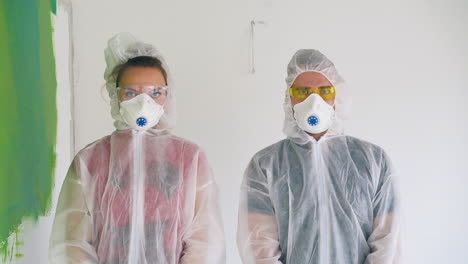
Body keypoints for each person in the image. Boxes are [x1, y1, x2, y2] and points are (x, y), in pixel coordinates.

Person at [49, 33, 225, 264]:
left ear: (167, 96)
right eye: (131, 93)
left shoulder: (190, 159)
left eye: (155, 93)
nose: (144, 103)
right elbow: (72, 244)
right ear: (115, 96)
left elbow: (204, 241)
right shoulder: (90, 160)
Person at [237, 49, 401, 264]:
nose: (314, 102)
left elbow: (388, 244)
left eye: (324, 91)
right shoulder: (265, 165)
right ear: (289, 98)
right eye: (302, 92)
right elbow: (259, 248)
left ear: (338, 96)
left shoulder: (374, 161)